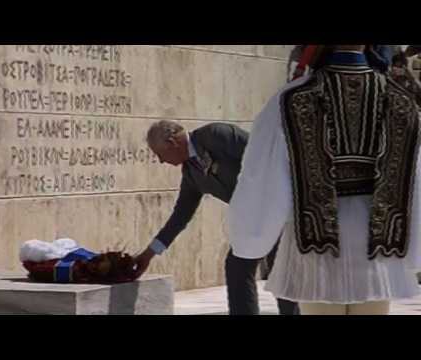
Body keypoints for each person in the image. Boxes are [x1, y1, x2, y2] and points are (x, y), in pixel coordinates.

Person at [228, 45, 421, 315]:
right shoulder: (401, 101)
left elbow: (263, 177)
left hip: (316, 243)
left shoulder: (291, 99)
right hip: (378, 243)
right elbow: (415, 182)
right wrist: (413, 249)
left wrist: (250, 239)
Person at [134, 120, 299, 315]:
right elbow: (180, 217)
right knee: (239, 269)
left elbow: (263, 156)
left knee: (277, 271)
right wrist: (148, 254)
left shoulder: (216, 135)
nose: (161, 161)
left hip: (275, 208)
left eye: (160, 154)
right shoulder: (191, 174)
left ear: (172, 142)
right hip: (250, 219)